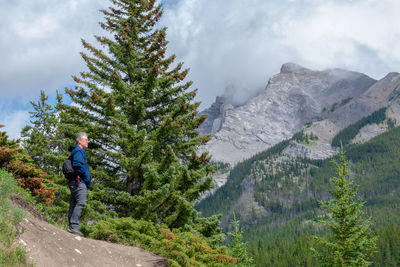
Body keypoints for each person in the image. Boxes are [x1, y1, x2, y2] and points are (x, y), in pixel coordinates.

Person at [67, 132, 91, 236]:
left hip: (74, 181)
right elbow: (77, 165)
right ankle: (74, 226)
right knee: (80, 202)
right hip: (79, 181)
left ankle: (72, 226)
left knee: (74, 203)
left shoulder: (76, 151)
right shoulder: (79, 151)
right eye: (86, 139)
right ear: (80, 141)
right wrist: (85, 177)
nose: (88, 141)